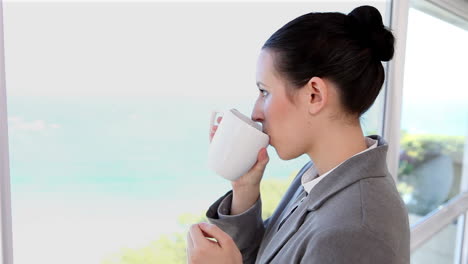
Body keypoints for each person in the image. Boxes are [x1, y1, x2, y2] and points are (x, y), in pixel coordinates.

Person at [186, 5, 410, 264]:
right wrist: (244, 188)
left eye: (264, 92)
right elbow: (265, 257)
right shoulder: (319, 175)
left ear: (314, 94)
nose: (256, 113)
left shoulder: (356, 230)